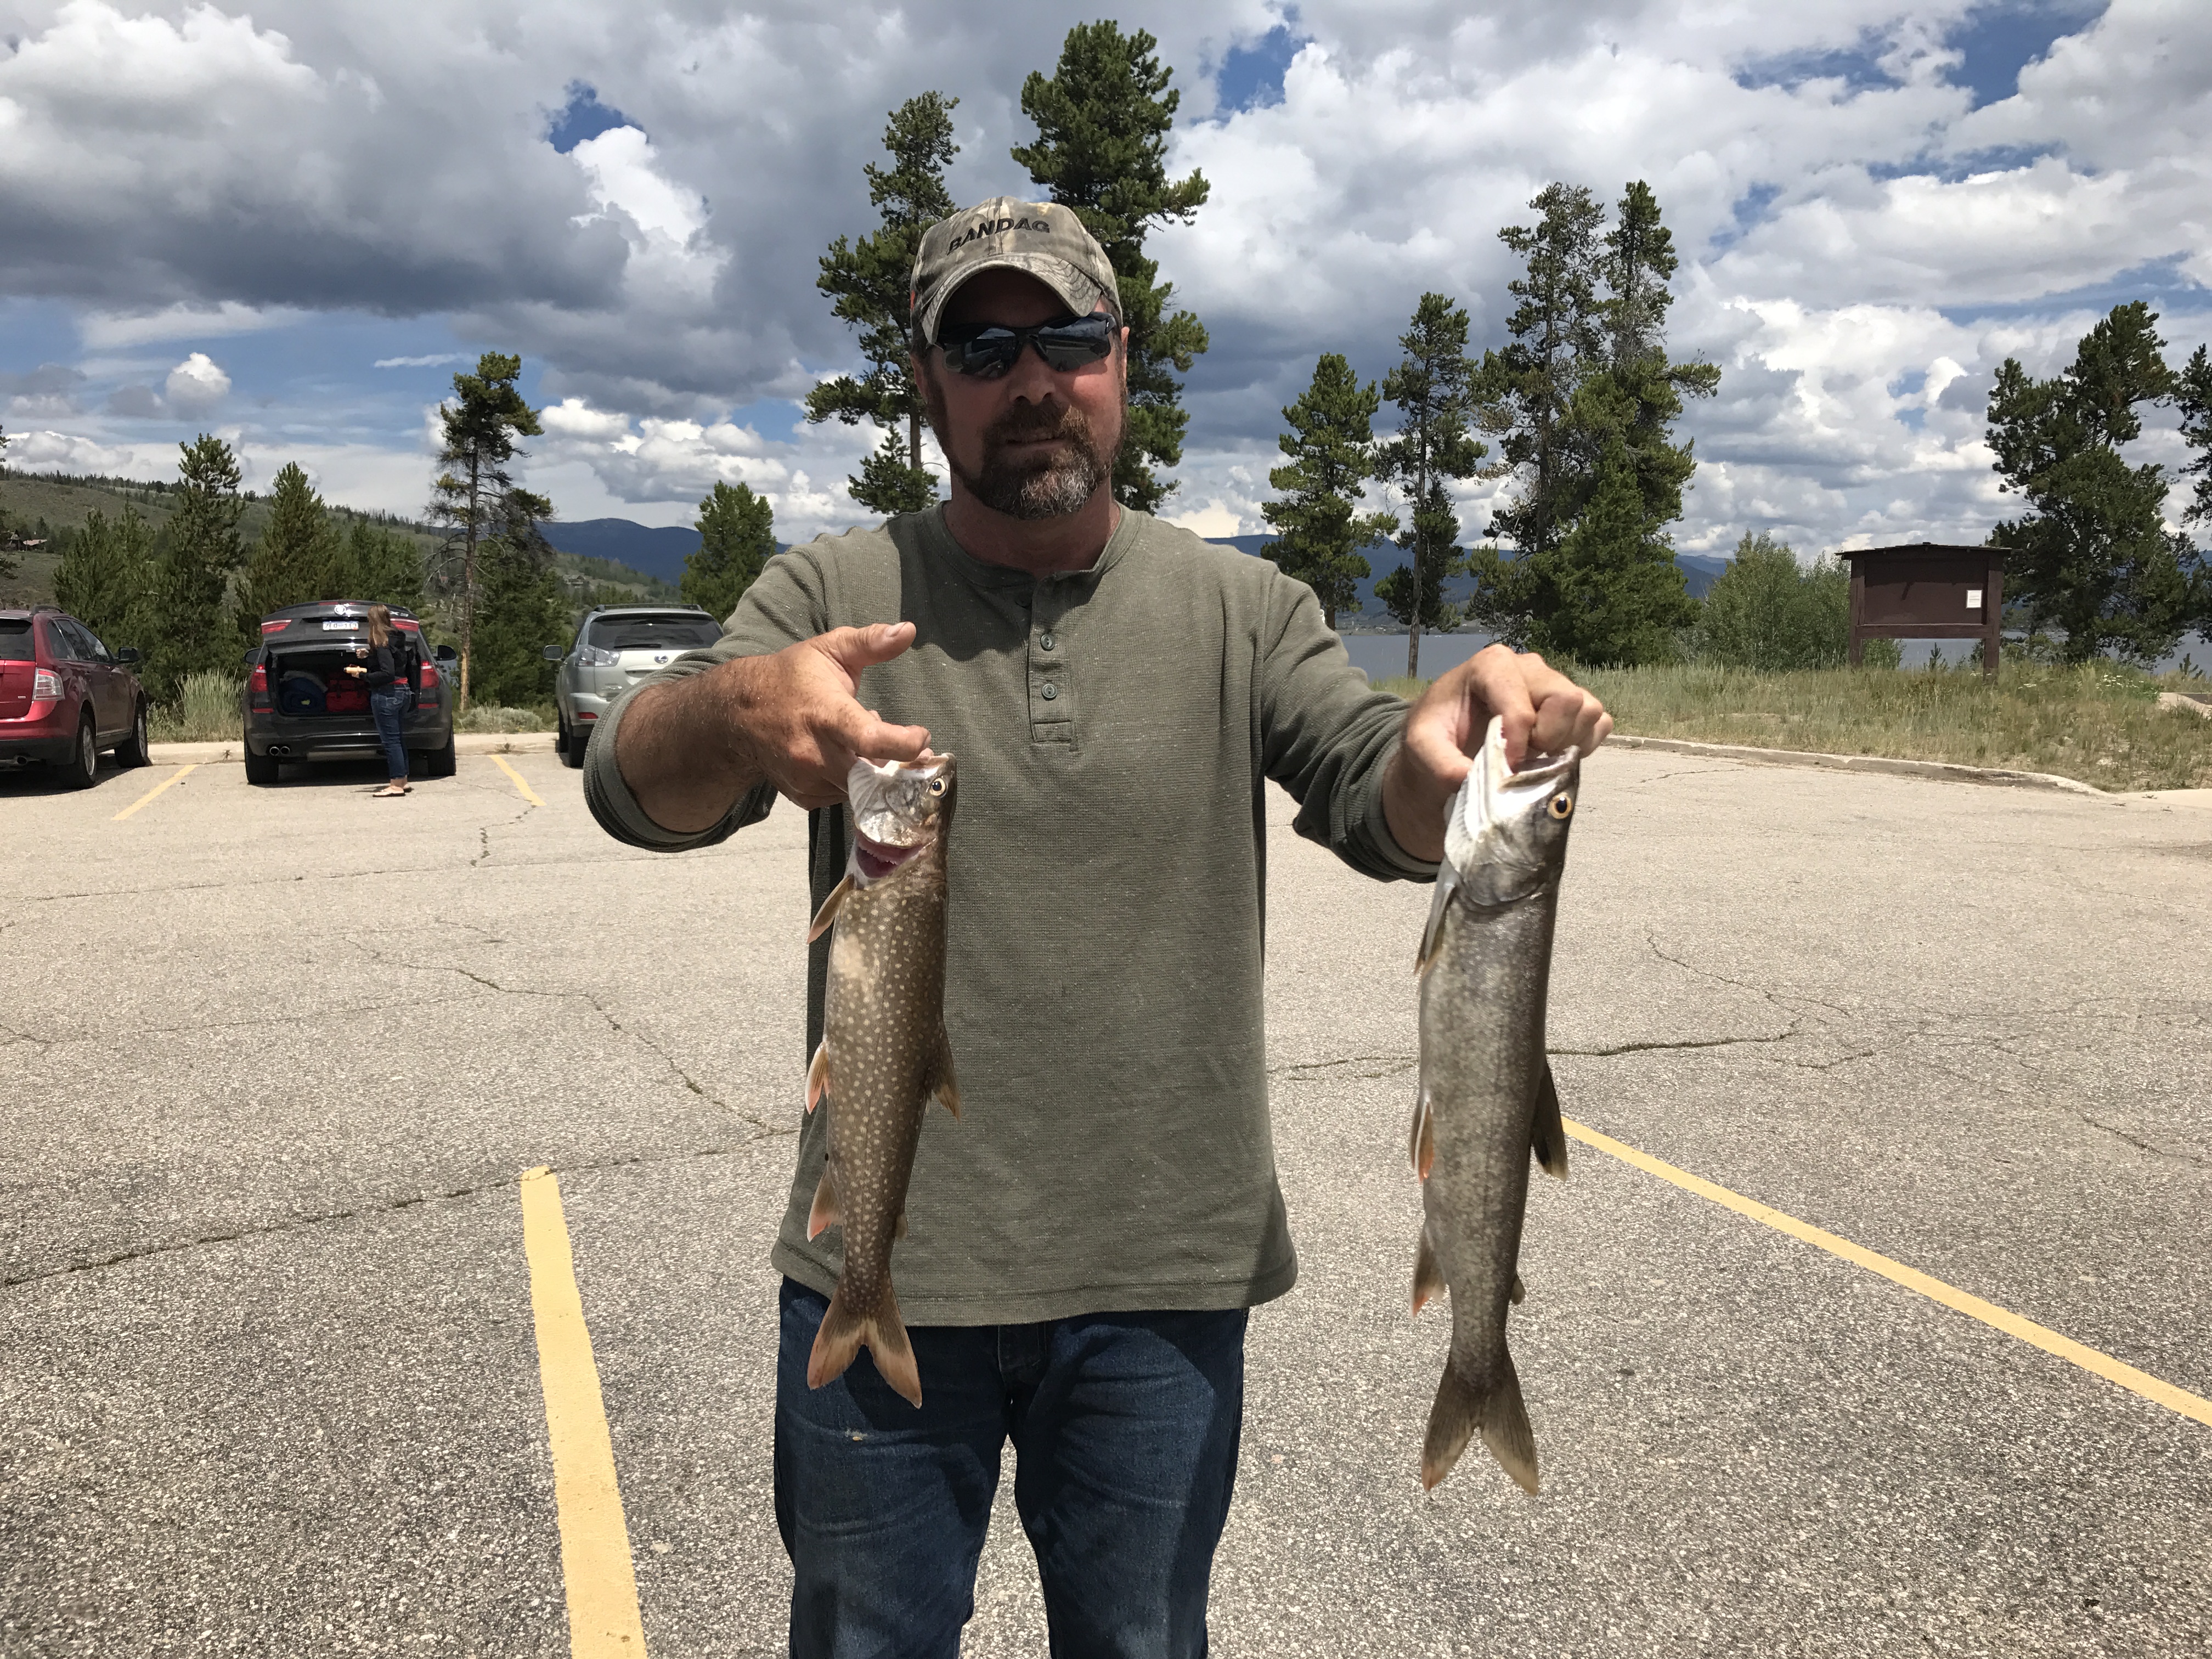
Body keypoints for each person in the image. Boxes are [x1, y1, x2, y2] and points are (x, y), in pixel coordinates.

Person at [586, 196, 1612, 1658]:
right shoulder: (831, 596)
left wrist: (1449, 744)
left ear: (1123, 358)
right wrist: (739, 711)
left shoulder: (1245, 608)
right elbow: (632, 786)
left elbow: (1367, 787)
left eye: (1066, 338)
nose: (1032, 379)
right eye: (983, 347)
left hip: (1165, 1285)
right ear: (927, 383)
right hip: (885, 1257)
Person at [344, 604, 415, 797]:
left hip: (387, 694)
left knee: (391, 741)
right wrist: (370, 654)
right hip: (403, 691)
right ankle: (403, 780)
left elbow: (387, 673)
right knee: (398, 738)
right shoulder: (396, 637)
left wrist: (363, 676)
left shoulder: (381, 642)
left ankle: (395, 785)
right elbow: (395, 660)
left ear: (373, 621)